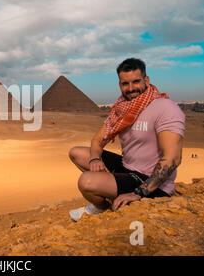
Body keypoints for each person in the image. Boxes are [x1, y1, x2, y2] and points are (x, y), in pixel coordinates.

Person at [68, 58, 185, 222]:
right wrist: (95, 159)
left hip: (150, 180)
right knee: (77, 153)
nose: (131, 89)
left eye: (136, 81)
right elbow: (97, 141)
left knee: (86, 181)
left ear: (146, 80)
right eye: (125, 83)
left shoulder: (165, 108)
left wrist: (139, 192)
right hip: (127, 167)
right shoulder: (121, 109)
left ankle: (104, 203)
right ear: (120, 84)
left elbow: (173, 158)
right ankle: (104, 205)